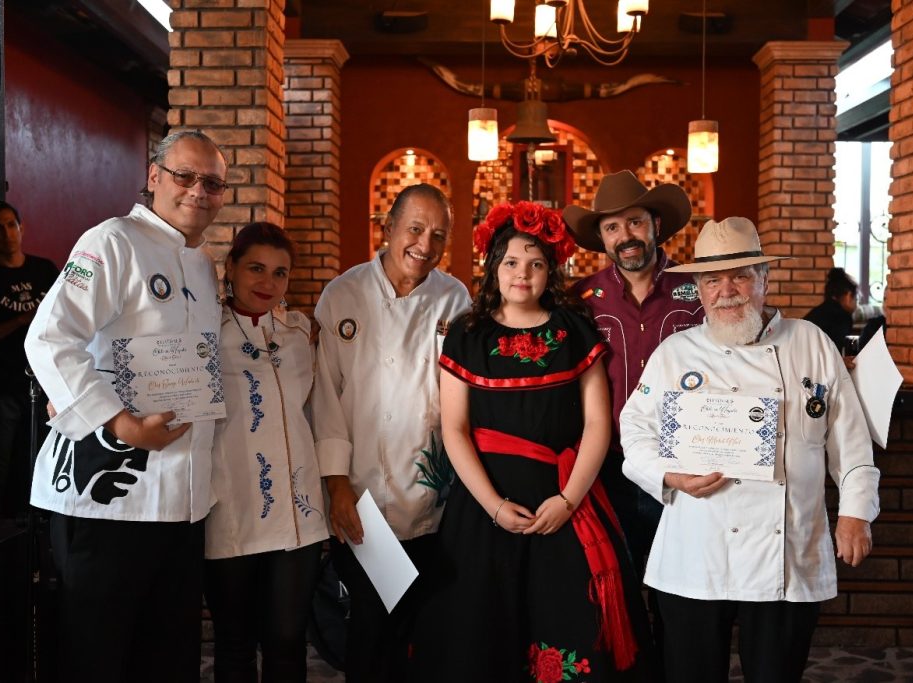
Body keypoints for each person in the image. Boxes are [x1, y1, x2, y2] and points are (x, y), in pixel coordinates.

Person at [619, 217, 879, 683]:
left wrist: (856, 513)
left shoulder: (811, 343)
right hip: (695, 550)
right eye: (712, 280)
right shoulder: (674, 353)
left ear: (764, 280)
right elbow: (634, 430)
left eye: (740, 276)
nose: (726, 291)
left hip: (787, 551)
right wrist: (668, 476)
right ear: (699, 290)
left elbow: (851, 439)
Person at [411, 201, 654, 683]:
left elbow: (597, 424)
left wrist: (568, 500)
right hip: (484, 510)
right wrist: (494, 506)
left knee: (568, 620)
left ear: (551, 271)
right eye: (511, 262)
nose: (522, 274)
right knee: (480, 630)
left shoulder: (573, 329)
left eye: (536, 264)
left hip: (563, 503)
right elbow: (454, 429)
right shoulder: (467, 334)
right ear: (493, 267)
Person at [25, 130, 228, 683]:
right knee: (95, 660)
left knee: (165, 661)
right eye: (185, 176)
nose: (198, 191)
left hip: (181, 505)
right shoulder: (111, 241)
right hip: (107, 503)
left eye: (213, 183)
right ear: (154, 177)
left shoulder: (203, 265)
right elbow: (49, 339)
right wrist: (121, 424)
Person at [311, 183, 471, 683]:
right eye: (415, 229)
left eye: (438, 235)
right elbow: (325, 397)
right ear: (388, 228)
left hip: (432, 499)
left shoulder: (454, 299)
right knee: (370, 630)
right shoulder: (343, 294)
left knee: (418, 633)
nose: (425, 244)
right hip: (360, 498)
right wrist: (337, 484)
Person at [205, 222, 329, 683]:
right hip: (229, 508)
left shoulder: (299, 333)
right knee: (235, 645)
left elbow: (318, 412)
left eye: (280, 273)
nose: (268, 282)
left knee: (287, 643)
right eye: (256, 268)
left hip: (298, 516)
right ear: (231, 268)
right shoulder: (206, 333)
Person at [564, 171, 703, 568]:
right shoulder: (581, 299)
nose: (625, 236)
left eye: (635, 222)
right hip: (608, 466)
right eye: (612, 227)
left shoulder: (697, 290)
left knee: (678, 582)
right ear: (602, 237)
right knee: (618, 581)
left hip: (683, 467)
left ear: (655, 224)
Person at [0, 201, 59, 516]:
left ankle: (41, 521)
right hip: (3, 385)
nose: (7, 233)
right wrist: (21, 321)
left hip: (46, 382)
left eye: (11, 225)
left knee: (44, 454)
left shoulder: (45, 270)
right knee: (1, 460)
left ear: (22, 228)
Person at [804, 266, 859, 359]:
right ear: (849, 295)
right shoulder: (842, 317)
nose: (856, 304)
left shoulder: (816, 312)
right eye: (856, 298)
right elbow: (833, 356)